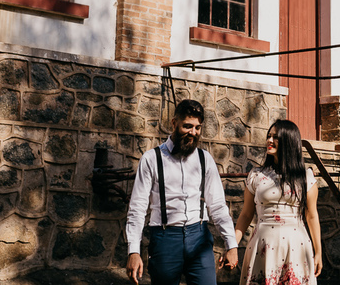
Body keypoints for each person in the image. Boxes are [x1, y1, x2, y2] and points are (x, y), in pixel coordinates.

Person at [125, 99, 242, 285]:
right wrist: (134, 251)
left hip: (199, 237)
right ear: (174, 123)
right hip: (165, 239)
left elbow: (218, 206)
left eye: (197, 128)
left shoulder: (205, 160)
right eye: (187, 126)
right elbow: (137, 208)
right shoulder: (151, 159)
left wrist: (231, 245)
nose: (193, 132)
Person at [234, 119, 324, 285]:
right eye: (269, 136)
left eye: (275, 137)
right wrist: (232, 245)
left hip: (296, 246)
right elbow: (246, 214)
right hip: (263, 244)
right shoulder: (256, 175)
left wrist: (318, 252)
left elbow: (311, 216)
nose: (269, 140)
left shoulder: (306, 177)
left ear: (288, 140)